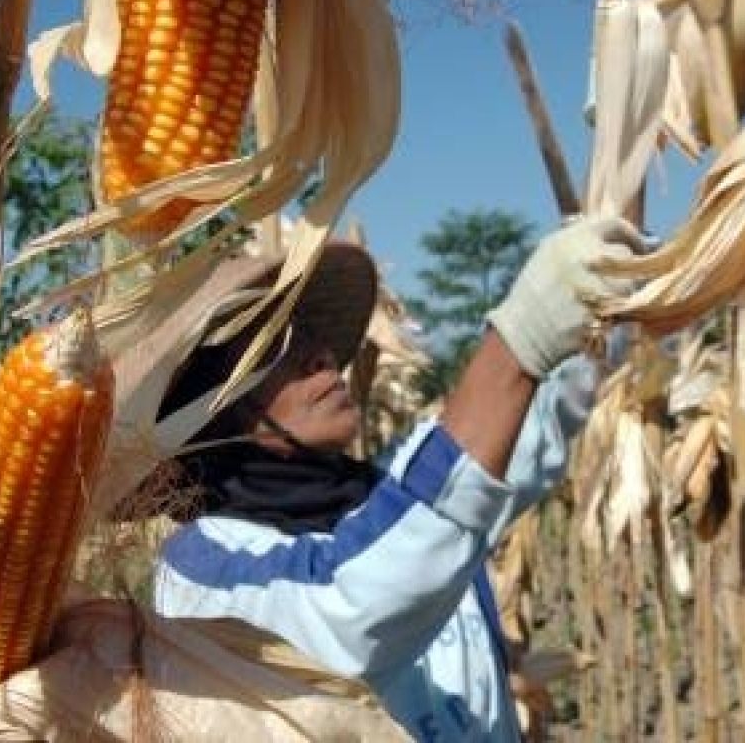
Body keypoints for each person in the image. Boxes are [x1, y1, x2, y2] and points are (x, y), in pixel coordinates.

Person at [152, 216, 643, 741]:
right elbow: (350, 607)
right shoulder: (200, 570)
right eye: (274, 349)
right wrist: (517, 345)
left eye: (311, 337)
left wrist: (599, 306)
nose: (322, 357)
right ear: (208, 409)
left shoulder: (382, 495)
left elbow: (525, 437)